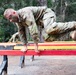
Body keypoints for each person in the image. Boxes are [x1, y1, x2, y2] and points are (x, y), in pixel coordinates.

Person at [3, 6, 76, 53]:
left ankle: (74, 24)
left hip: (46, 13)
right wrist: (25, 46)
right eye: (9, 19)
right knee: (47, 38)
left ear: (14, 12)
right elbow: (21, 32)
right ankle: (71, 34)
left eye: (10, 17)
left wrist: (36, 46)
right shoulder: (17, 21)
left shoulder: (25, 13)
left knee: (49, 28)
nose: (11, 20)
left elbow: (33, 29)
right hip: (42, 22)